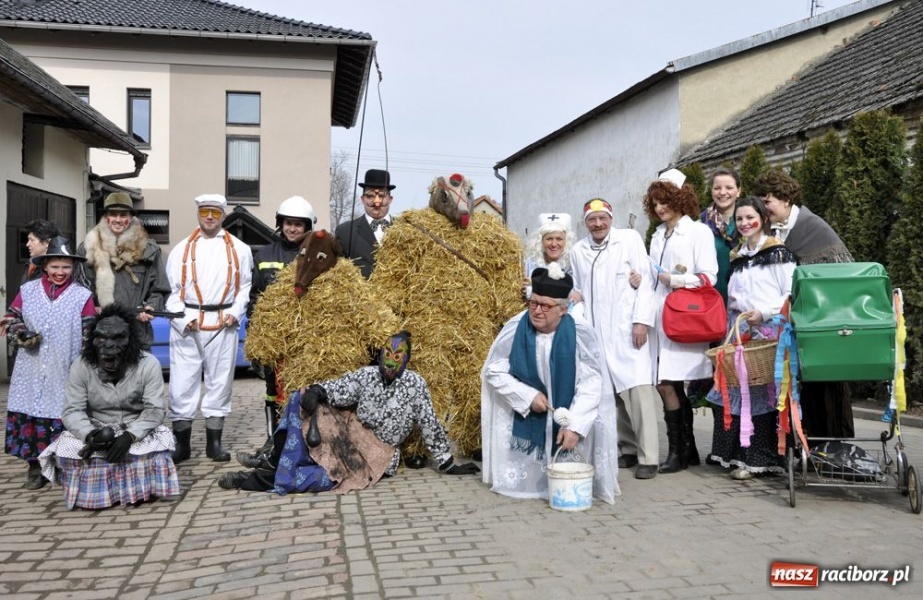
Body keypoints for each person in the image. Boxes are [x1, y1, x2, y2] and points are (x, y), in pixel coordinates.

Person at [217, 331, 480, 492]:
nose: (390, 361)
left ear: (406, 360)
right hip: (350, 435)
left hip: (376, 455)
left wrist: (447, 463)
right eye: (387, 353)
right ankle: (276, 458)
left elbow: (429, 423)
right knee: (301, 396)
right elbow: (340, 387)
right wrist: (318, 390)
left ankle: (252, 480)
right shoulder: (367, 375)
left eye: (398, 356)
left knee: (324, 478)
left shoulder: (415, 384)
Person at [481, 266, 619, 503]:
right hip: (527, 415)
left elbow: (591, 382)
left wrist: (574, 424)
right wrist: (526, 395)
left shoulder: (580, 332)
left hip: (570, 412)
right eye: (533, 303)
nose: (536, 311)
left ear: (563, 309)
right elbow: (493, 370)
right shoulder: (516, 328)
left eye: (545, 306)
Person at [38, 304, 181, 508]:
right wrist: (90, 435)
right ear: (93, 340)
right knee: (66, 449)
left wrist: (129, 436)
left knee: (162, 440)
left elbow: (155, 410)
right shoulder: (81, 365)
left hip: (136, 425)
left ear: (130, 340)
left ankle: (141, 490)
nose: (108, 345)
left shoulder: (148, 364)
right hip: (98, 427)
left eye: (117, 338)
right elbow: (72, 410)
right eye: (102, 338)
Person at [752, 169, 855, 439]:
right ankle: (806, 448)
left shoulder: (812, 227)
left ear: (786, 199)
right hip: (796, 325)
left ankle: (834, 447)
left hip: (826, 323)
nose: (765, 208)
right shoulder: (772, 230)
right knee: (802, 388)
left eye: (768, 201)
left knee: (828, 388)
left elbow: (841, 277)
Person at [705, 197, 797, 479]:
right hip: (738, 329)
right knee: (731, 390)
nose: (745, 223)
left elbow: (791, 295)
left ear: (763, 218)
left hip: (766, 331)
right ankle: (732, 454)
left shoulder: (778, 254)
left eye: (750, 217)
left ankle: (759, 459)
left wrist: (766, 313)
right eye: (740, 219)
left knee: (759, 393)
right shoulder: (737, 256)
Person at [570, 198, 660, 479]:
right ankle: (628, 448)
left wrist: (641, 322)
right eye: (592, 220)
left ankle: (649, 457)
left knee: (639, 391)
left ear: (611, 218)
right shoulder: (578, 250)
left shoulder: (629, 240)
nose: (598, 224)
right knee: (611, 396)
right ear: (585, 223)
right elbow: (578, 286)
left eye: (602, 218)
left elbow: (646, 282)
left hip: (627, 330)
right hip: (597, 334)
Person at [1, 236, 95, 489]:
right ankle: (34, 467)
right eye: (55, 266)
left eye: (66, 267)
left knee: (63, 415)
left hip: (64, 368)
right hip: (30, 367)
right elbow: (10, 318)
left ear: (73, 268)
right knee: (31, 414)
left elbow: (89, 331)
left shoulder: (82, 295)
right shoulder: (28, 291)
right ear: (45, 266)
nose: (60, 272)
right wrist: (20, 333)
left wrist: (87, 365)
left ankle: (62, 463)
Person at [165, 194, 253, 463]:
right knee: (181, 382)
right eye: (205, 212)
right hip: (188, 322)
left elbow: (245, 288)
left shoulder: (240, 249)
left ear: (223, 215)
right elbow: (173, 292)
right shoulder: (180, 250)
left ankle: (214, 444)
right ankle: (182, 445)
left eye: (215, 212)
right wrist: (181, 318)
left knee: (220, 382)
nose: (210, 217)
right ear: (198, 214)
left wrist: (235, 313)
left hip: (223, 322)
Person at [645, 169, 719, 474]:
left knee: (669, 382)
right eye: (655, 203)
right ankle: (686, 450)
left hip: (684, 315)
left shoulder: (698, 231)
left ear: (679, 198)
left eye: (665, 201)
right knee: (666, 382)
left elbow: (708, 276)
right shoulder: (658, 234)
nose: (660, 208)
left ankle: (678, 451)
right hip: (659, 316)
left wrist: (674, 279)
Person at [239, 195, 317, 468]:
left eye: (298, 224)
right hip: (274, 341)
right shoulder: (264, 255)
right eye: (288, 223)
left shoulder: (318, 255)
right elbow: (254, 299)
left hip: (305, 339)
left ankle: (305, 445)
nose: (292, 229)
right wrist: (256, 343)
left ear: (308, 226)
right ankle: (273, 443)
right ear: (280, 224)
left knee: (303, 394)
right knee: (273, 393)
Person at [78, 192, 170, 349]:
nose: (118, 220)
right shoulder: (88, 248)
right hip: (101, 333)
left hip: (136, 333)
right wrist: (92, 306)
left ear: (131, 217)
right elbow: (80, 288)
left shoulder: (149, 250)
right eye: (113, 214)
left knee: (139, 373)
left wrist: (151, 307)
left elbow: (159, 289)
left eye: (123, 215)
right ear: (106, 217)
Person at [335, 169, 395, 278]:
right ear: (362, 199)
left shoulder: (405, 229)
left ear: (390, 199)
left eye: (381, 195)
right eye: (370, 196)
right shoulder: (345, 232)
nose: (376, 202)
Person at [700, 169, 742, 303]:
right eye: (717, 188)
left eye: (729, 187)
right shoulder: (700, 225)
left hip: (745, 301)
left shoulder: (749, 222)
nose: (723, 192)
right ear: (711, 191)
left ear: (739, 191)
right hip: (711, 300)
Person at [522, 212, 575, 299]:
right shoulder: (530, 264)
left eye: (559, 239)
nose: (554, 244)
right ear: (541, 241)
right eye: (549, 239)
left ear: (566, 241)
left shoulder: (572, 264)